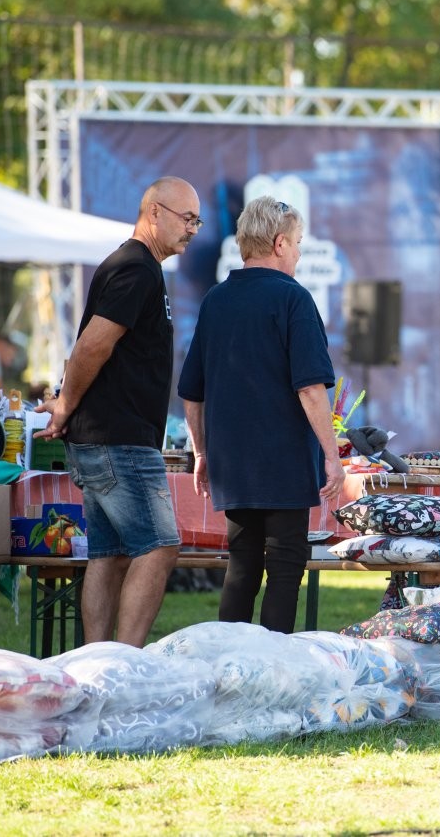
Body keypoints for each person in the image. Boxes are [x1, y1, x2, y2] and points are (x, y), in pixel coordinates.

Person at [34, 176, 200, 646]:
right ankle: (124, 665)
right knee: (160, 547)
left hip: (105, 437)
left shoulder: (138, 267)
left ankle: (96, 663)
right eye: (186, 218)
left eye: (197, 221)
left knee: (109, 554)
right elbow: (92, 345)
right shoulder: (136, 267)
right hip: (117, 439)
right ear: (154, 212)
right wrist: (66, 403)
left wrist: (71, 407)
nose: (192, 229)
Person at [178, 196, 344, 634]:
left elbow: (191, 392)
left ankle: (227, 667)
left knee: (242, 566)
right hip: (283, 462)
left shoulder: (215, 301)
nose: (300, 252)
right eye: (298, 243)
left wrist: (201, 452)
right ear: (279, 242)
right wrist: (332, 456)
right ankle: (272, 676)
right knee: (286, 568)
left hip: (233, 464)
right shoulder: (293, 299)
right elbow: (310, 387)